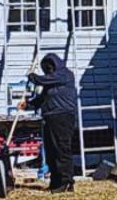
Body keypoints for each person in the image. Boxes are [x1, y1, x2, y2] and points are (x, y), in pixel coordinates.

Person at [24, 54, 79, 193]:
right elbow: (42, 99)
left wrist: (32, 76)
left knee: (61, 149)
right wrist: (27, 105)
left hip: (63, 117)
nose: (47, 70)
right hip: (49, 118)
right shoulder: (51, 81)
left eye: (49, 67)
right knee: (51, 151)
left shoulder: (65, 75)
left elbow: (41, 80)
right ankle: (56, 182)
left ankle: (66, 182)